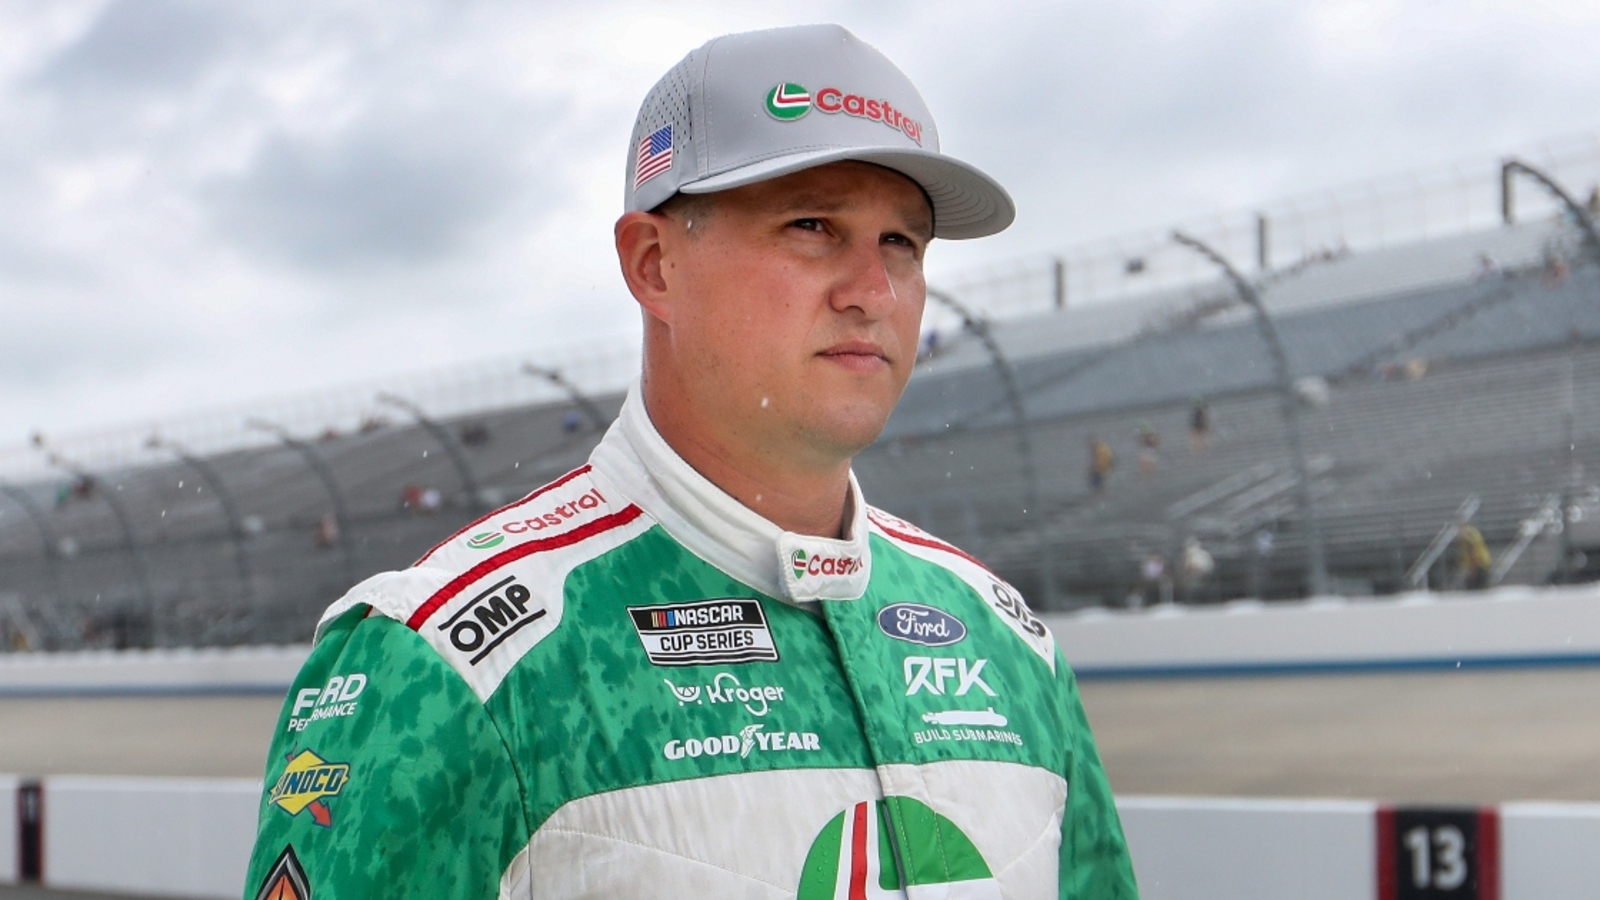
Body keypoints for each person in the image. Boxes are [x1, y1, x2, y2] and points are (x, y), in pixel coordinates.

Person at [243, 24, 1137, 900]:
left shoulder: (1011, 646)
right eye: (813, 225)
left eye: (900, 243)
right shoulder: (452, 666)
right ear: (654, 265)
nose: (873, 291)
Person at [1456, 522, 1492, 590]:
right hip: (1480, 562)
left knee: (1476, 586)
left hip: (1479, 563)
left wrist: (1472, 567)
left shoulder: (1469, 538)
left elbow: (1474, 552)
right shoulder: (1471, 535)